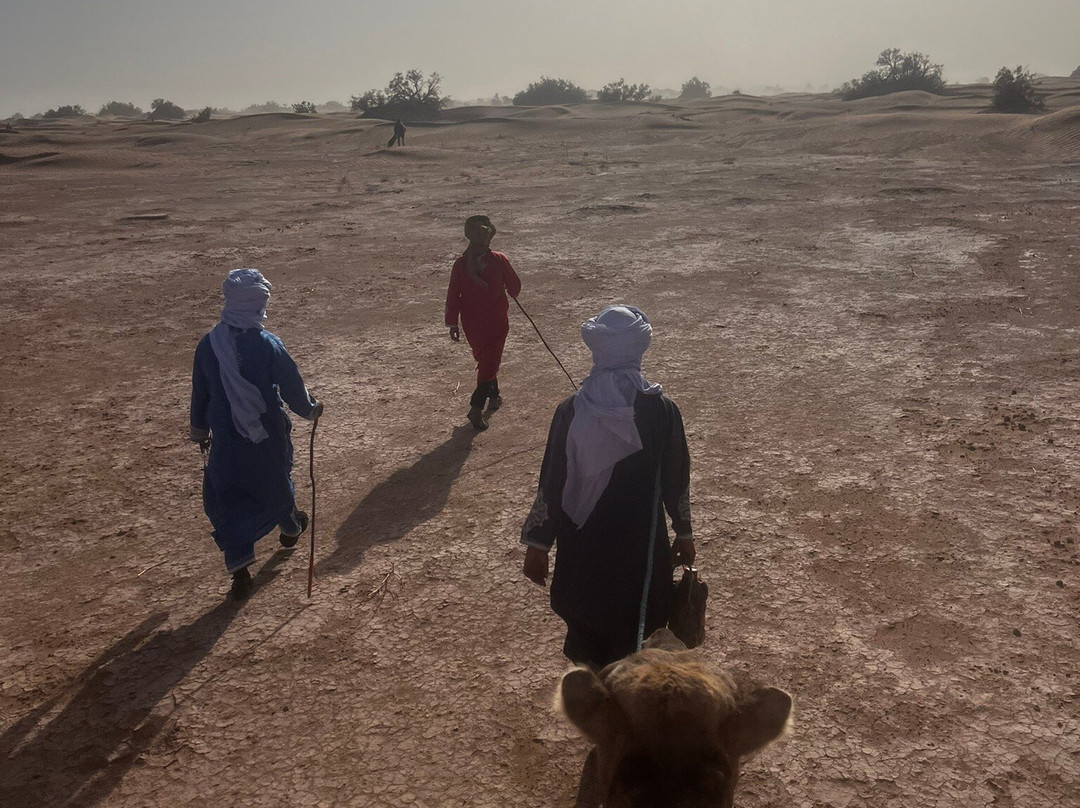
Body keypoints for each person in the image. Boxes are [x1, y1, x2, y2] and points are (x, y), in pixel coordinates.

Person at [521, 305, 695, 668]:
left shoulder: (572, 410)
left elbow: (553, 481)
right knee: (638, 638)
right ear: (638, 348)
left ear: (597, 348)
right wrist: (684, 533)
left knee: (591, 634)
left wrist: (539, 544)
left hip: (585, 547)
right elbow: (677, 477)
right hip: (641, 550)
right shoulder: (661, 409)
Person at [190, 268, 324, 600]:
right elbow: (291, 385)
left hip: (225, 442)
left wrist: (199, 429)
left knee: (230, 499)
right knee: (275, 484)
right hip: (266, 437)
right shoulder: (266, 344)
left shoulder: (209, 345)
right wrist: (310, 409)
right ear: (257, 304)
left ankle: (239, 570)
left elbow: (200, 392)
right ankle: (290, 526)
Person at [445, 215, 522, 430]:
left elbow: (453, 295)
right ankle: (476, 407)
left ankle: (494, 397)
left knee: (487, 359)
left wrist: (452, 323)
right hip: (496, 320)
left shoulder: (460, 264)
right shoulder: (499, 259)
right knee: (490, 361)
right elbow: (515, 288)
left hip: (471, 324)